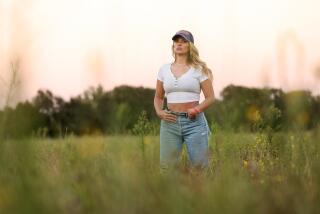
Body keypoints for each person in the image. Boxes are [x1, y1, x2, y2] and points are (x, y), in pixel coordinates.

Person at [154, 30, 215, 174]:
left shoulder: (199, 70)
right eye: (176, 41)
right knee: (167, 170)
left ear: (190, 46)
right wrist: (159, 112)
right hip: (170, 122)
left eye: (183, 41)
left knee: (201, 170)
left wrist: (197, 110)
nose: (179, 44)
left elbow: (210, 97)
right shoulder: (163, 70)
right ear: (173, 45)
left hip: (194, 123)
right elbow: (158, 96)